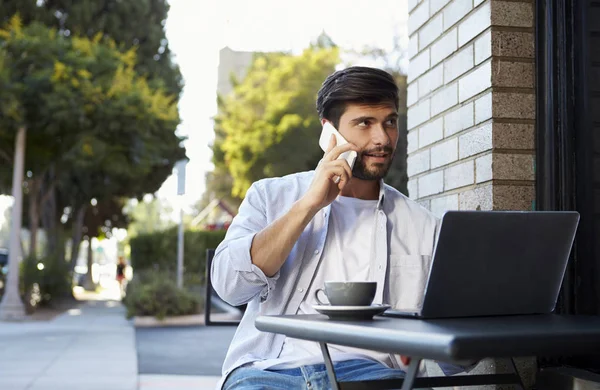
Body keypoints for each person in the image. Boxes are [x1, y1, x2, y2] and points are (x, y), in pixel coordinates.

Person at [212, 67, 470, 390]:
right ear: (329, 132)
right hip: (269, 372)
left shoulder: (421, 226)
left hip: (371, 375)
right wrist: (308, 206)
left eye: (390, 122)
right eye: (365, 123)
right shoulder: (270, 196)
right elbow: (228, 285)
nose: (382, 138)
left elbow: (454, 355)